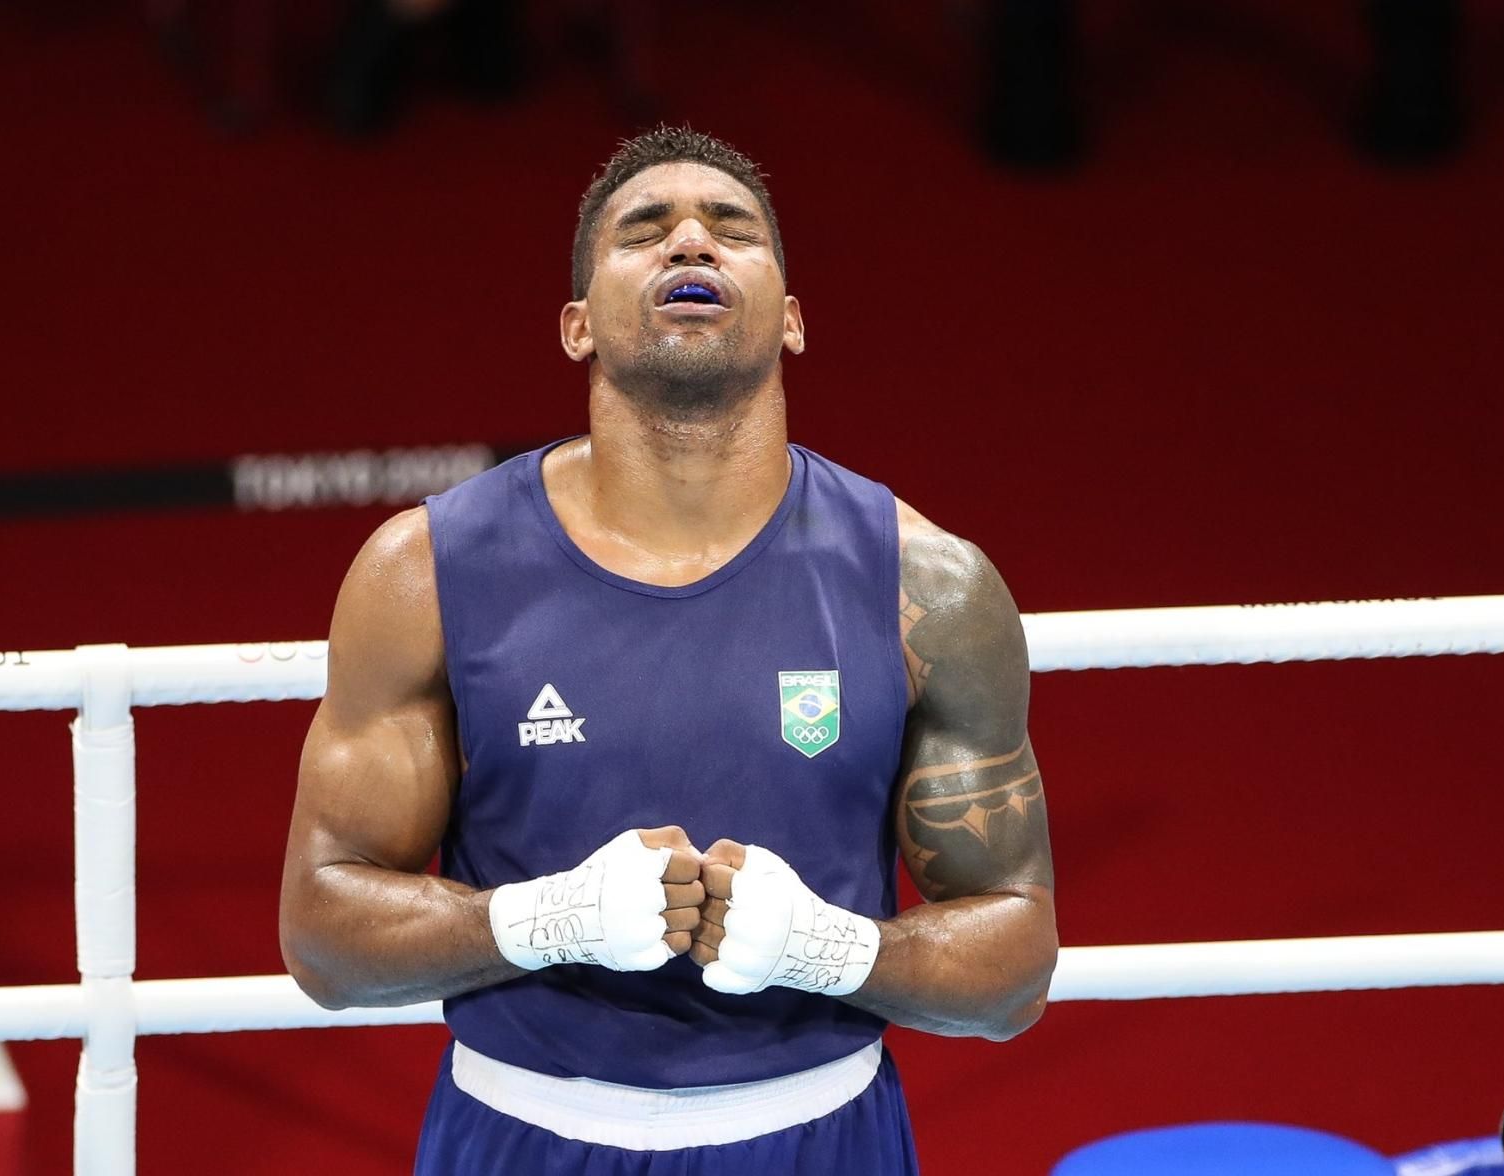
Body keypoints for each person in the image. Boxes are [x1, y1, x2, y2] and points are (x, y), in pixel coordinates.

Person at [278, 126, 1058, 1174]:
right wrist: (545, 918)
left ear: (789, 321)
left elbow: (1011, 968)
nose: (689, 241)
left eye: (729, 229)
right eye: (643, 231)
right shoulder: (423, 573)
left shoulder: (928, 587)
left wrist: (831, 948)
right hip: (517, 1137)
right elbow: (323, 937)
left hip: (820, 1139)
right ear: (574, 326)